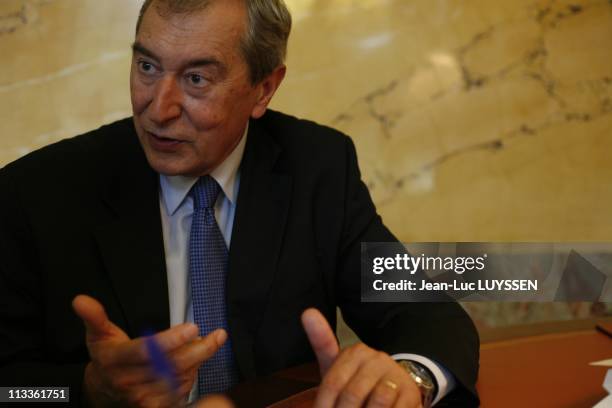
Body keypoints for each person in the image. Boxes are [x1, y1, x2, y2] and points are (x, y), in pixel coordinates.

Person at [0, 0, 479, 407]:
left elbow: (427, 314)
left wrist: (410, 379)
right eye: (147, 66)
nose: (158, 108)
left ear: (264, 89)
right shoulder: (36, 193)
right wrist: (86, 389)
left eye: (196, 80)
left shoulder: (317, 169)